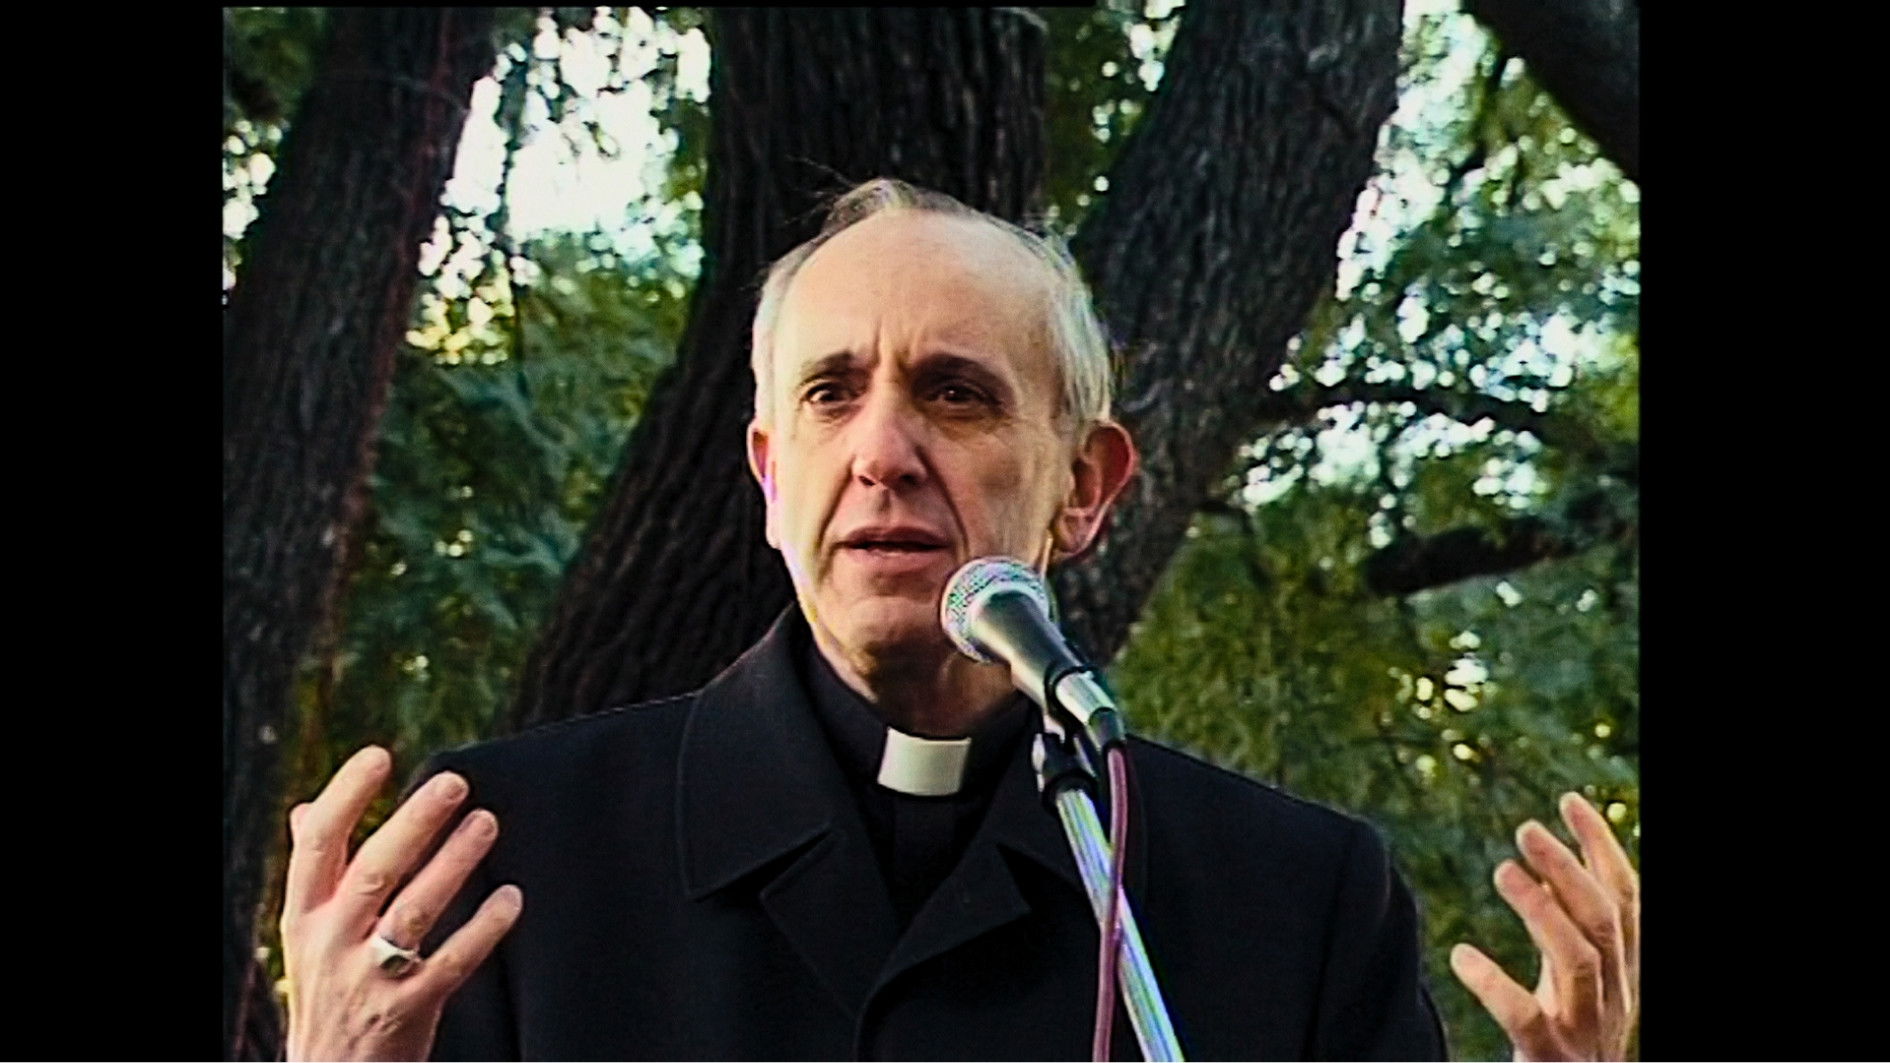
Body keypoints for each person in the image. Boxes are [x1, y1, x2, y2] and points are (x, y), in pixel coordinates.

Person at [276, 179, 1639, 1060]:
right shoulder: (503, 858)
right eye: (831, 395)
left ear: (1084, 487)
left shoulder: (1291, 898)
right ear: (770, 479)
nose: (882, 451)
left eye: (956, 394)